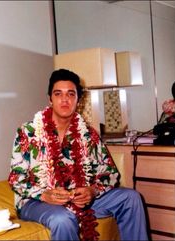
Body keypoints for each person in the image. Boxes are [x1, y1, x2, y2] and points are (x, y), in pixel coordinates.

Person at [8, 69, 148, 241]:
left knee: (131, 198)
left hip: (78, 199)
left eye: (71, 94)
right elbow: (16, 178)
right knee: (63, 218)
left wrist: (92, 191)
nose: (64, 99)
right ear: (50, 99)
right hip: (37, 201)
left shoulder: (88, 134)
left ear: (78, 100)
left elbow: (110, 173)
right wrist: (44, 194)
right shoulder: (27, 132)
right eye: (58, 93)